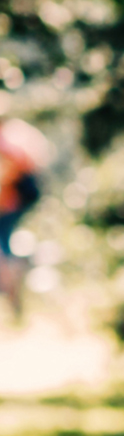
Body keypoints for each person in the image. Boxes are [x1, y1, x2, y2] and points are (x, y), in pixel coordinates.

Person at [0, 118, 48, 329]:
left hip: (12, 201)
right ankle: (13, 296)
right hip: (17, 199)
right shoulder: (15, 132)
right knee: (5, 246)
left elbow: (10, 173)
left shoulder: (7, 141)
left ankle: (12, 293)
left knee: (3, 248)